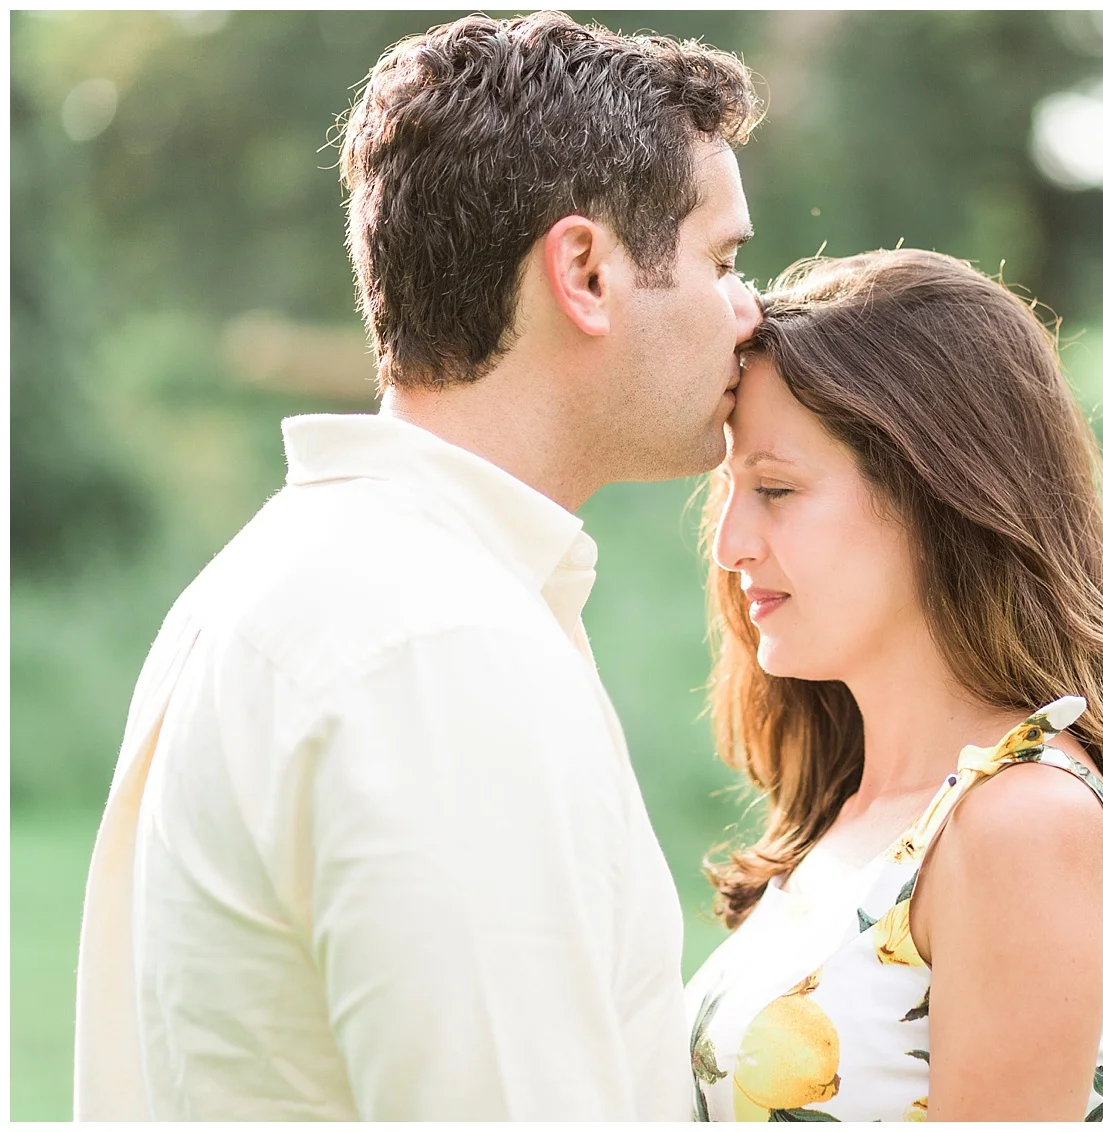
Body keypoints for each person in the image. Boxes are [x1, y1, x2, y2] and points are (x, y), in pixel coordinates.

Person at [73, 12, 763, 1121]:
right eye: (725, 260)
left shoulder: (291, 581)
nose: (750, 310)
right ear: (585, 270)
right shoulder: (440, 647)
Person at [684, 249, 1103, 1121]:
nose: (729, 543)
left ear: (937, 494)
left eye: (775, 488)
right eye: (732, 489)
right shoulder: (861, 809)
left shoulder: (1023, 826)